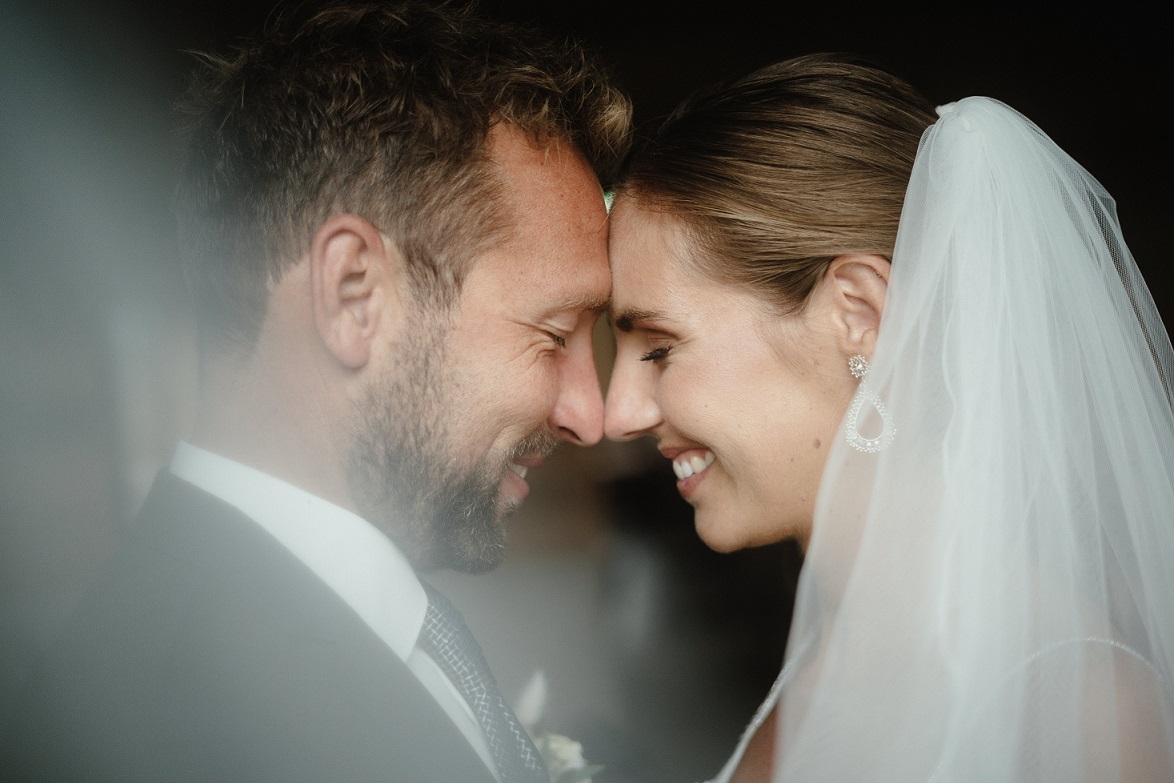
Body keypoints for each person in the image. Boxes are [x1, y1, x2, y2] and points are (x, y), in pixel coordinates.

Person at [4, 2, 629, 781]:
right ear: (353, 295)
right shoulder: (158, 729)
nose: (590, 415)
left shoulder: (369, 623)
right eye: (554, 332)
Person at [604, 54, 1174, 781]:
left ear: (860, 314)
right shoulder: (817, 661)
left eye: (658, 347)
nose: (615, 413)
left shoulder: (1077, 713)